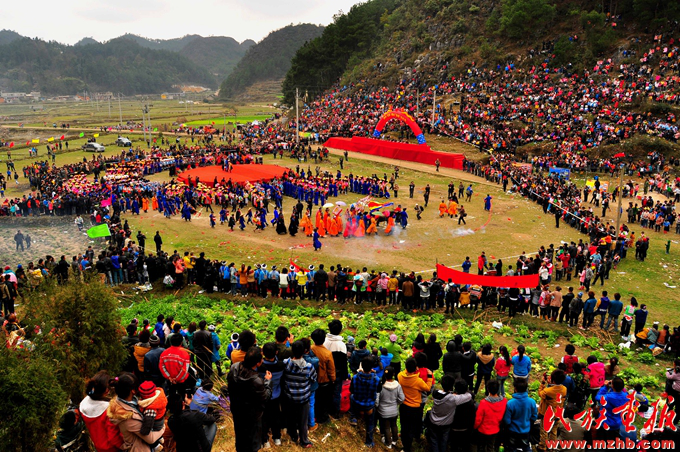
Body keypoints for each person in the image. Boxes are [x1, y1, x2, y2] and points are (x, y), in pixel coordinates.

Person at [228, 346, 273, 452]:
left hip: (237, 410)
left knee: (240, 437)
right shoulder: (256, 380)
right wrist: (267, 382)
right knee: (253, 441)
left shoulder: (234, 368)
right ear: (257, 363)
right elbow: (265, 397)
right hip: (252, 415)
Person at [107, 372, 166, 452]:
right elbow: (151, 438)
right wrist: (162, 426)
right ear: (133, 391)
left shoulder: (127, 401)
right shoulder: (127, 417)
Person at [282, 340, 317, 448]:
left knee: (291, 418)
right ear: (305, 351)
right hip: (303, 398)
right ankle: (304, 441)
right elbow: (313, 379)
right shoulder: (309, 367)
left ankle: (293, 435)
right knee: (303, 421)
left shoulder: (286, 363)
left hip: (290, 398)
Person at [79, 371, 124, 452]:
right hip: (112, 448)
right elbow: (113, 436)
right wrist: (124, 446)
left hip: (98, 445)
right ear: (106, 390)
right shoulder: (108, 409)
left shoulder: (84, 404)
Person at [428, 375, 473, 452]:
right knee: (444, 441)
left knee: (434, 440)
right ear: (452, 386)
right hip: (446, 424)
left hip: (433, 422)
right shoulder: (453, 399)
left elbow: (441, 392)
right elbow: (469, 396)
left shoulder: (435, 393)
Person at [398, 357, 433, 452]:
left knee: (404, 426)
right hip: (415, 408)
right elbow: (427, 388)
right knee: (412, 427)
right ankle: (409, 446)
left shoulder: (400, 376)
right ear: (416, 368)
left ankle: (404, 445)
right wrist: (429, 377)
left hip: (404, 406)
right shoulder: (418, 381)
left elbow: (406, 371)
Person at [349, 356, 381, 447]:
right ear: (372, 367)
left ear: (362, 366)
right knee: (370, 422)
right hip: (369, 405)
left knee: (351, 396)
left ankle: (353, 417)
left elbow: (351, 390)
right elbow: (379, 390)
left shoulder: (355, 377)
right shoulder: (376, 379)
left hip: (357, 403)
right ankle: (369, 442)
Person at [503, 378, 537, 452]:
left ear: (515, 389)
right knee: (526, 447)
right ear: (526, 389)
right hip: (526, 430)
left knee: (512, 448)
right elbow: (534, 416)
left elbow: (507, 420)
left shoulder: (510, 403)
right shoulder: (532, 402)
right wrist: (528, 424)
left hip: (513, 431)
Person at [474, 379, 508, 452]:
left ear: (488, 389)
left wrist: (475, 427)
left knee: (481, 447)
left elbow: (478, 419)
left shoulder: (483, 403)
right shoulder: (504, 401)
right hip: (495, 429)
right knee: (491, 446)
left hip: (483, 430)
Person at [538, 370, 567, 452]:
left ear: (553, 380)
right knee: (554, 431)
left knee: (544, 431)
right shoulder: (564, 389)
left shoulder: (547, 391)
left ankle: (542, 446)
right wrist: (551, 384)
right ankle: (552, 447)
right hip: (558, 413)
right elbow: (555, 391)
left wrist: (543, 383)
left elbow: (540, 393)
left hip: (548, 414)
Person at [311, 328, 335, 425]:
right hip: (324, 380)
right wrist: (333, 380)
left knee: (315, 399)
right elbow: (331, 369)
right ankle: (322, 418)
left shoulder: (310, 349)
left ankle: (314, 416)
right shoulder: (327, 353)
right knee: (323, 400)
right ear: (324, 339)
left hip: (313, 379)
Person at [375, 366, 404, 449]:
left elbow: (377, 399)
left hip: (383, 412)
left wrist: (377, 406)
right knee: (394, 425)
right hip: (394, 411)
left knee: (386, 427)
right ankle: (395, 440)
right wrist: (396, 403)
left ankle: (388, 443)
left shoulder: (381, 385)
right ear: (394, 374)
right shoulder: (397, 385)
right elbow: (402, 398)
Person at [324, 320, 348, 417]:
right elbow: (343, 363)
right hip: (337, 373)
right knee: (337, 393)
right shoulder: (341, 345)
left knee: (327, 391)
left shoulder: (325, 341)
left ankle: (326, 410)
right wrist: (345, 375)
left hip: (326, 372)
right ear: (340, 330)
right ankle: (335, 412)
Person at [595, 377, 628, 441]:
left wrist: (605, 387)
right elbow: (618, 394)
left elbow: (597, 397)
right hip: (617, 424)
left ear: (612, 385)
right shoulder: (626, 396)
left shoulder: (608, 397)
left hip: (605, 424)